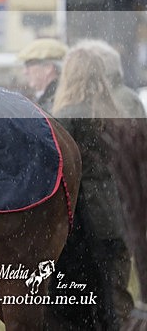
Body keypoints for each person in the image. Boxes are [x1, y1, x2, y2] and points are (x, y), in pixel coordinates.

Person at [51, 46, 132, 329]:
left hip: (82, 221)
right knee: (115, 298)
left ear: (70, 76)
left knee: (79, 305)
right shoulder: (116, 114)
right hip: (116, 216)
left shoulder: (65, 118)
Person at [73, 39, 140, 324]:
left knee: (110, 291)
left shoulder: (112, 103)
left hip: (107, 208)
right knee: (114, 286)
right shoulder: (118, 101)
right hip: (118, 207)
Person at [16, 38, 68, 113]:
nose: (25, 72)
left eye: (28, 65)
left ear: (48, 67)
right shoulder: (52, 97)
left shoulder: (56, 100)